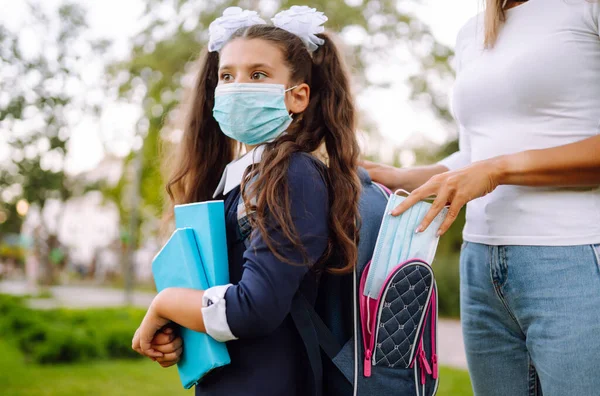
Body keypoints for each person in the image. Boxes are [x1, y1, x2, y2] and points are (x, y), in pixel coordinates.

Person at [365, 0, 600, 395]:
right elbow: (475, 156)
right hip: (481, 268)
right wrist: (399, 175)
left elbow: (489, 167)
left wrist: (498, 171)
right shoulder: (471, 33)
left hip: (572, 258)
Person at [131, 6, 362, 396]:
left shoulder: (293, 174)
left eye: (258, 74)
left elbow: (253, 310)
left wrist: (167, 303)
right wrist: (184, 328)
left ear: (298, 96)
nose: (238, 86)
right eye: (227, 75)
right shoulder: (241, 180)